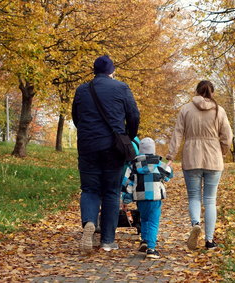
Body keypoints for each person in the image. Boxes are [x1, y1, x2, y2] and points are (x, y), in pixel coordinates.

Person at [72, 55, 140, 252]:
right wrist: (128, 136)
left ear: (94, 71)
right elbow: (134, 115)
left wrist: (87, 135)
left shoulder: (82, 90)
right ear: (112, 71)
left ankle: (89, 223)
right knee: (111, 191)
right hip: (113, 146)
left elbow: (76, 117)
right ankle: (108, 241)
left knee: (90, 189)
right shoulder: (121, 87)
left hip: (87, 146)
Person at [166, 80, 233, 250]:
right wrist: (223, 151)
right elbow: (227, 136)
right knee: (210, 200)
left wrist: (171, 156)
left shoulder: (186, 109)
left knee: (194, 197)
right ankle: (209, 241)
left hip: (191, 157)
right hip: (213, 157)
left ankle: (196, 223)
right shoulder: (219, 110)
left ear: (196, 92)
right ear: (212, 92)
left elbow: (178, 133)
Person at [122, 137, 173, 258]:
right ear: (153, 150)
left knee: (144, 219)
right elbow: (169, 175)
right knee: (153, 222)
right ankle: (151, 248)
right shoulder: (159, 164)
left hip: (140, 197)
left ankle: (144, 240)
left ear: (140, 150)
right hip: (155, 197)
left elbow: (126, 182)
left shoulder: (133, 165)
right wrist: (168, 167)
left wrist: (126, 198)